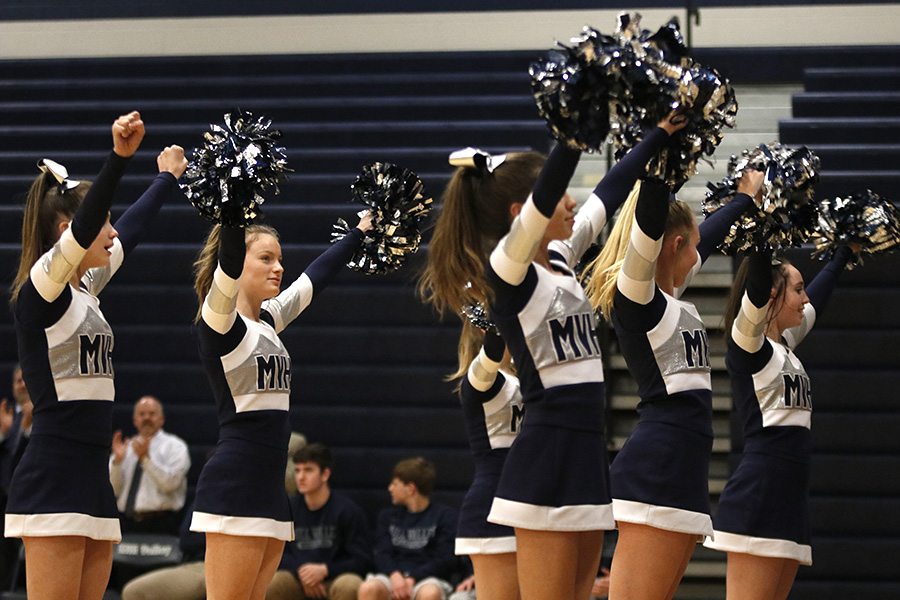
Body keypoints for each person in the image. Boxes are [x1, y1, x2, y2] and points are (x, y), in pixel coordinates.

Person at [419, 110, 692, 600]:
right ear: (523, 213)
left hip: (588, 454)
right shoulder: (508, 273)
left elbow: (609, 191)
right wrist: (576, 126)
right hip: (545, 459)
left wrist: (660, 137)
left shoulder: (563, 258)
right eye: (558, 196)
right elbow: (550, 190)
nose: (571, 202)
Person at [4, 111, 188, 600]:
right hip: (55, 468)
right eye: (102, 223)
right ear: (69, 231)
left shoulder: (86, 285)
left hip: (94, 471)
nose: (112, 232)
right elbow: (92, 223)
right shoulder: (42, 287)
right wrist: (118, 160)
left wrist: (166, 179)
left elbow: (134, 227)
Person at [583, 135, 763, 599]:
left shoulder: (671, 298)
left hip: (682, 470)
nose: (700, 257)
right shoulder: (636, 299)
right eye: (693, 247)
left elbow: (716, 231)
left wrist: (745, 198)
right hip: (656, 469)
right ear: (675, 244)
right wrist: (664, 144)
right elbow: (649, 221)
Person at [190, 208, 372, 600]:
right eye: (266, 258)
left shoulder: (268, 321)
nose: (278, 268)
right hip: (235, 482)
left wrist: (358, 233)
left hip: (272, 485)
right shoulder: (220, 324)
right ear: (237, 262)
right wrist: (236, 204)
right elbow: (227, 263)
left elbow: (314, 279)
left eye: (280, 260)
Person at [703, 242, 857, 600]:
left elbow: (819, 296)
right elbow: (756, 285)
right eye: (797, 290)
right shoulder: (750, 344)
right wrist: (762, 233)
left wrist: (843, 255)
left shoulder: (785, 344)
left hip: (789, 497)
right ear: (771, 295)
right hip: (760, 494)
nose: (805, 299)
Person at [452, 326, 521, 600]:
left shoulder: (523, 378)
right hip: (490, 507)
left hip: (525, 503)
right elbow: (493, 349)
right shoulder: (479, 381)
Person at [266, 443, 373, 600]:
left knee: (350, 585)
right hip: (299, 578)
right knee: (275, 582)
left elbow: (363, 560)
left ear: (325, 474)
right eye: (297, 470)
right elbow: (276, 553)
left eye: (308, 470)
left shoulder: (348, 511)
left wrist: (325, 570)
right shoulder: (288, 508)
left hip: (333, 579)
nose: (301, 477)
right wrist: (303, 572)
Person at [357, 457, 458, 600]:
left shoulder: (445, 516)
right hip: (393, 576)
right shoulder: (387, 516)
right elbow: (382, 553)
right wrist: (394, 575)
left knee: (430, 594)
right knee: (368, 588)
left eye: (395, 483)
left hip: (427, 578)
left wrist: (412, 577)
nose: (390, 488)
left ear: (411, 488)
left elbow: (445, 559)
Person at [110, 395, 191, 535]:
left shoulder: (175, 447)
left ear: (162, 419)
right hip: (125, 523)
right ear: (135, 420)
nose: (146, 418)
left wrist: (145, 460)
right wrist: (117, 462)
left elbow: (170, 484)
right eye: (142, 414)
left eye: (152, 414)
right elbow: (113, 490)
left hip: (161, 523)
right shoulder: (125, 449)